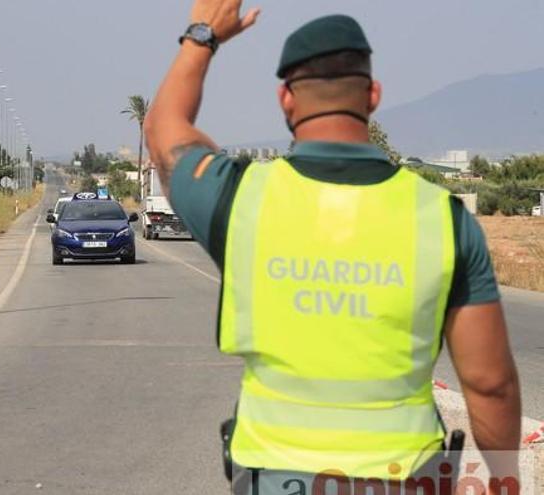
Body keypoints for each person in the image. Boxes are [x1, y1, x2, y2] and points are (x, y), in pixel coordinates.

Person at [144, 1, 522, 491]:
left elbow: (163, 132)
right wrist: (504, 480)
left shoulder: (240, 199)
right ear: (374, 95)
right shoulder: (442, 219)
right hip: (405, 479)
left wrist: (202, 37)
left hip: (275, 478)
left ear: (286, 99)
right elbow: (489, 385)